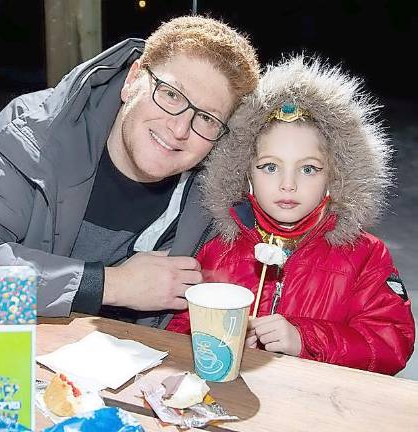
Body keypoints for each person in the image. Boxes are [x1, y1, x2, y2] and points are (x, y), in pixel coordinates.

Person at [0, 16, 260, 326]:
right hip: (18, 357)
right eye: (171, 95)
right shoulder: (36, 135)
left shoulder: (215, 197)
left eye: (206, 118)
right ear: (132, 80)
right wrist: (110, 285)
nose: (179, 129)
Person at [166, 56, 415, 374]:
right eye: (270, 167)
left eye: (308, 169)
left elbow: (392, 344)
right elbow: (177, 327)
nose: (288, 184)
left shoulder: (365, 255)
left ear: (334, 176)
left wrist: (304, 339)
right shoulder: (216, 248)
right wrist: (215, 337)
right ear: (245, 174)